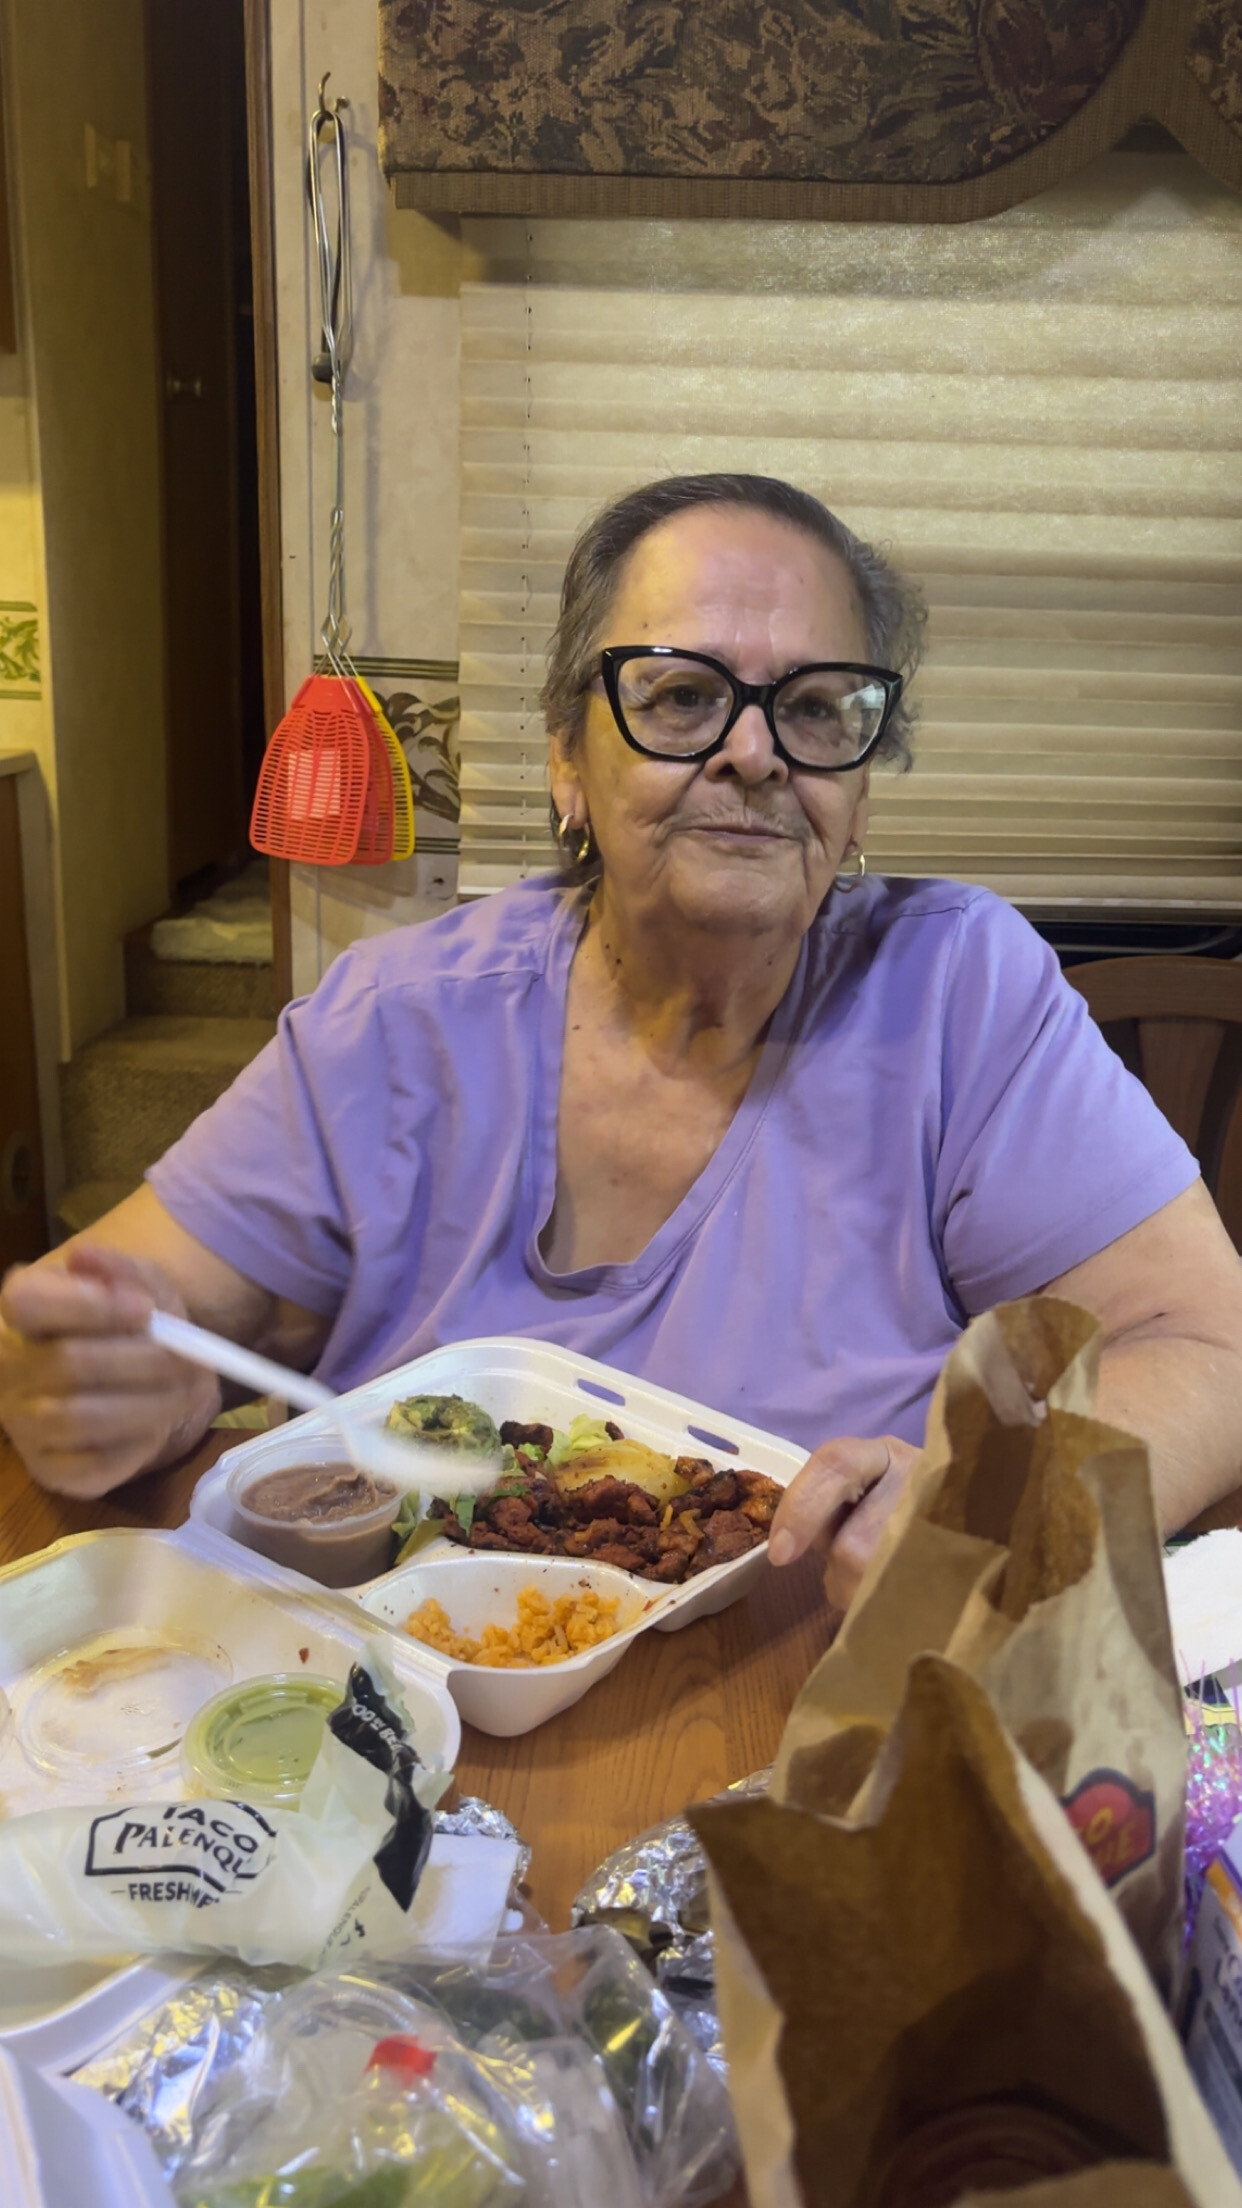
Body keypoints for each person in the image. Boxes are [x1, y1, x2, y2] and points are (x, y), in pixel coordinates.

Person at [4, 473, 1242, 1609]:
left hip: (803, 1694)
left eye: (817, 709)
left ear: (860, 789)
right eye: (682, 696)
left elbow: (1210, 1349)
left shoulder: (957, 994)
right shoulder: (396, 1020)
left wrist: (996, 1503)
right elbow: (107, 1328)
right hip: (398, 1697)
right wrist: (100, 1387)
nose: (754, 753)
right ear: (567, 760)